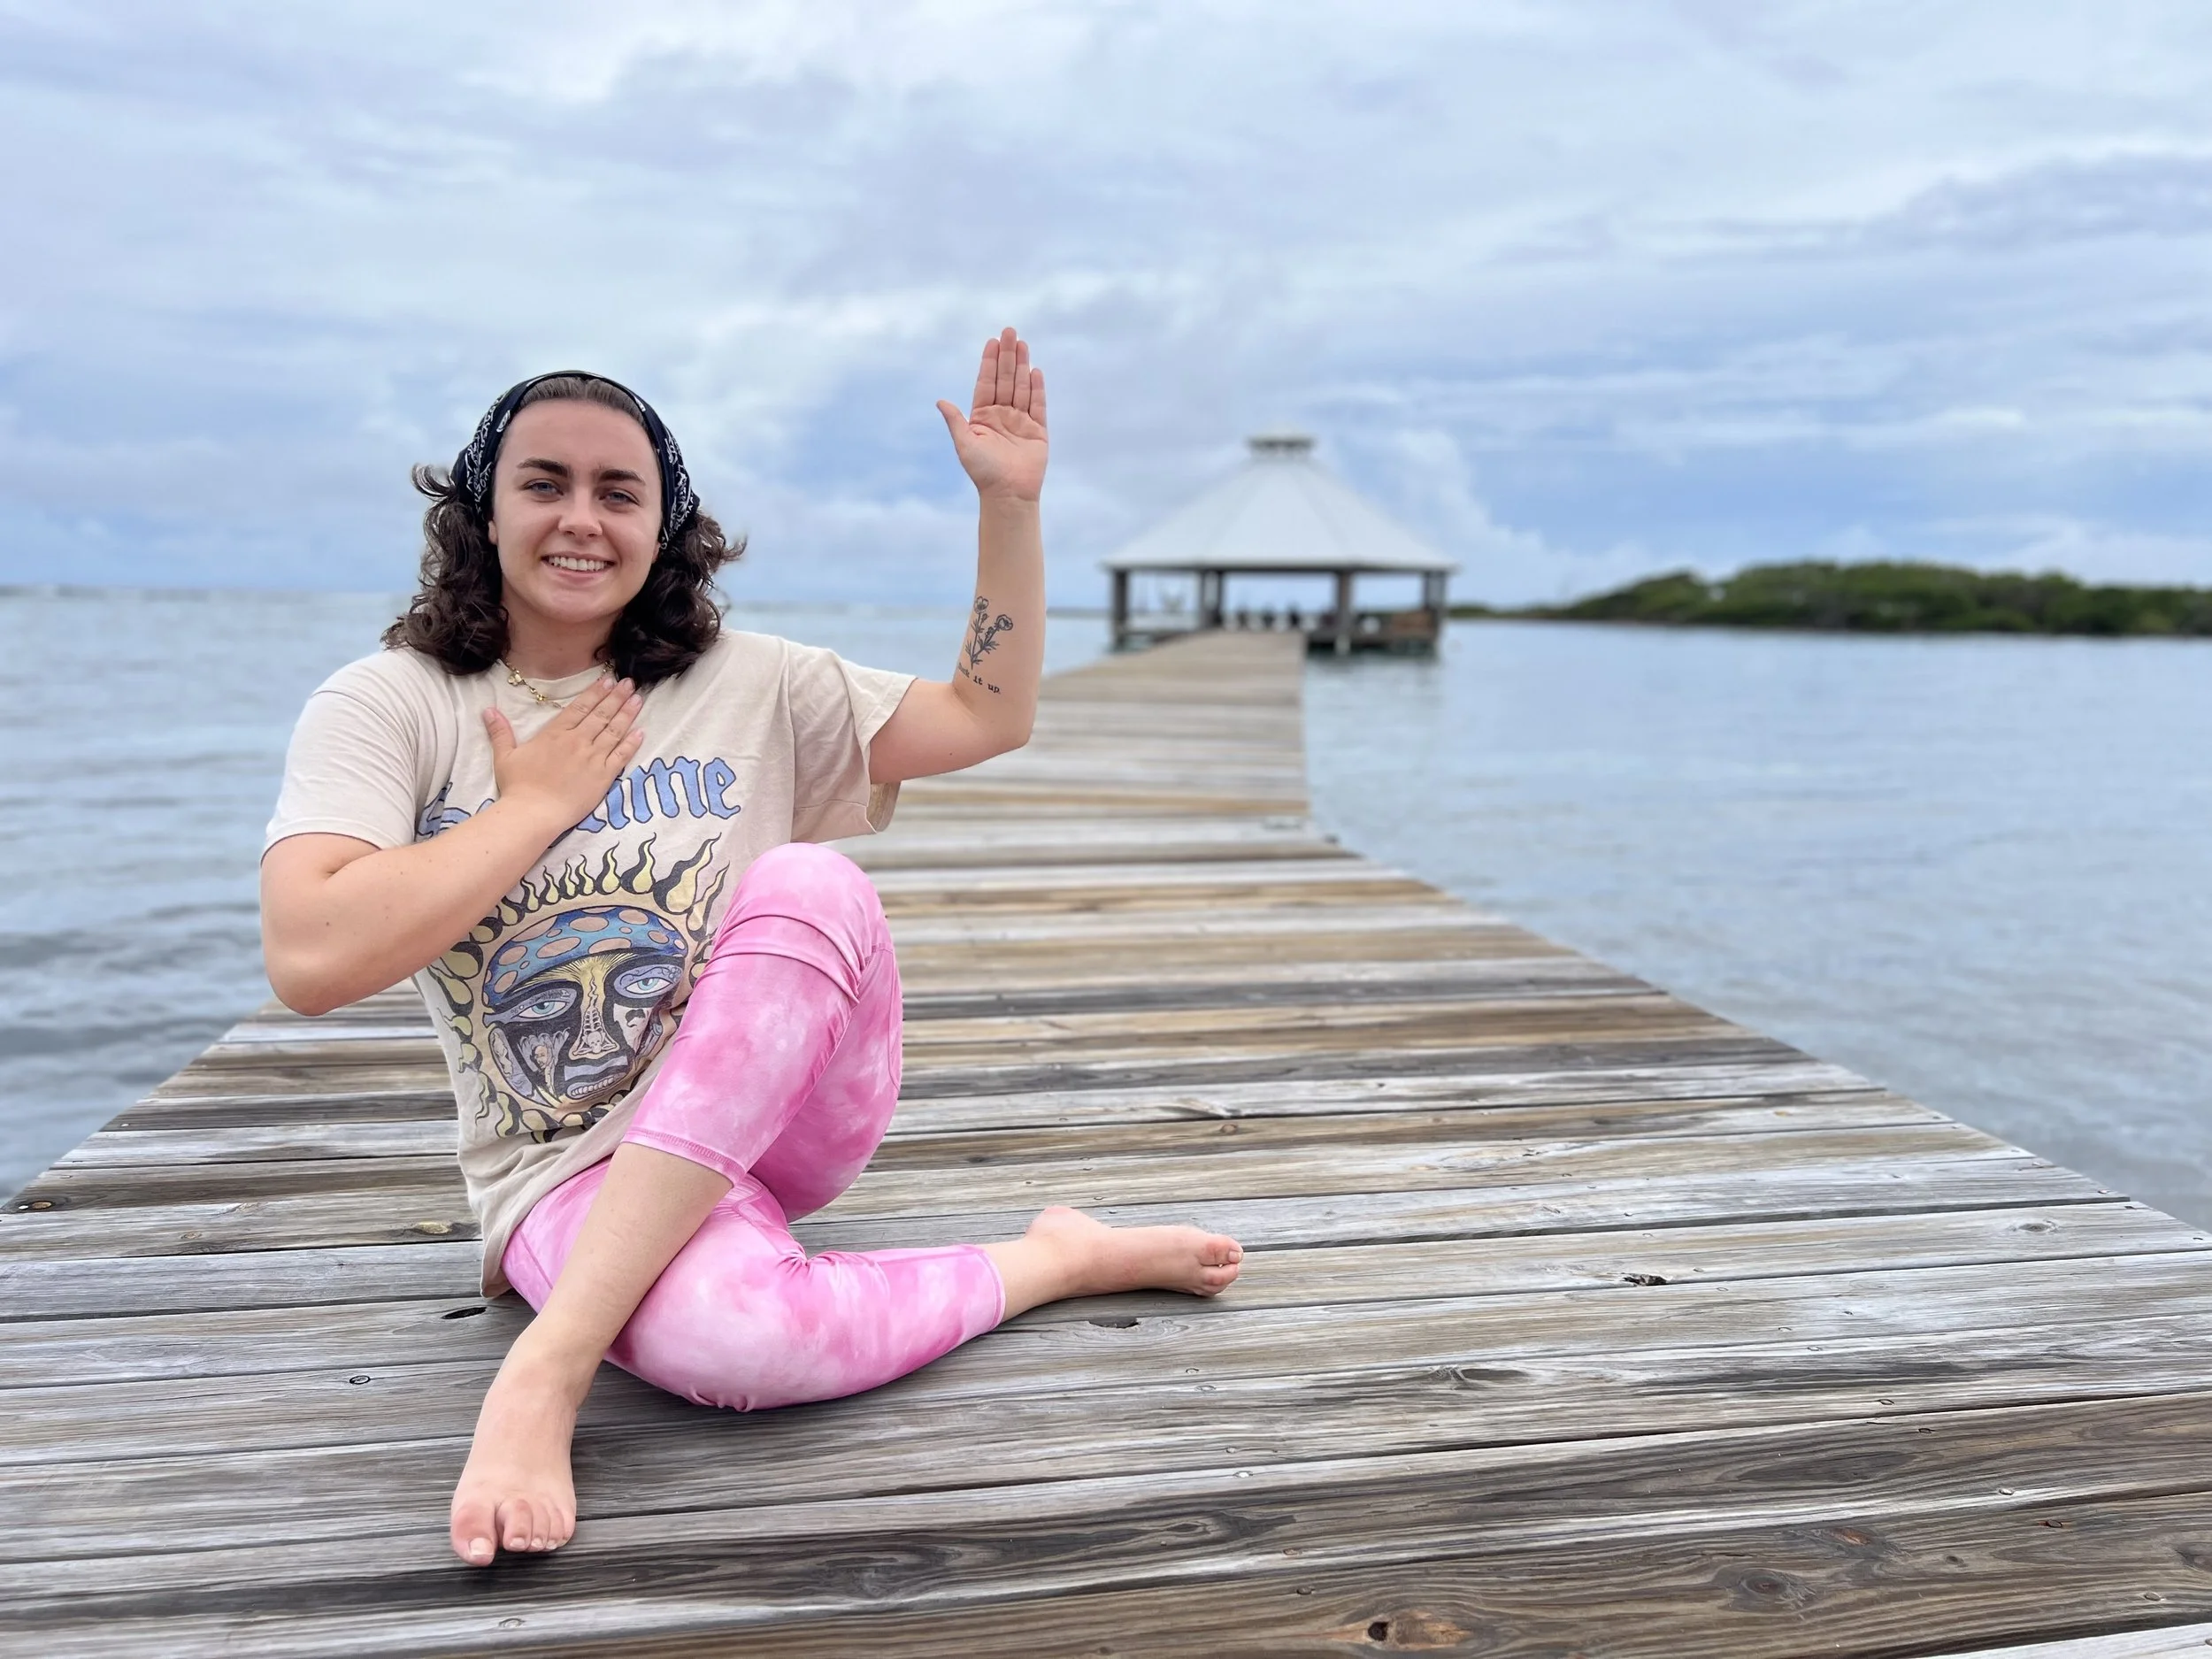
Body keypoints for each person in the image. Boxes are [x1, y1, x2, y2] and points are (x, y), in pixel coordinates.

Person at [258, 330, 1243, 1568]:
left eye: (621, 492)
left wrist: (1007, 505)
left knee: (811, 881)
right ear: (482, 509)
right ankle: (1053, 1258)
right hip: (563, 1165)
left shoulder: (748, 682)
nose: (581, 518)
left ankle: (546, 1368)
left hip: (784, 1118)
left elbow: (990, 716)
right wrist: (528, 806)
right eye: (544, 482)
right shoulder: (394, 702)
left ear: (666, 524)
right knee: (739, 1347)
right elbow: (307, 955)